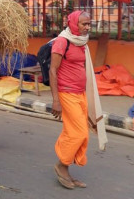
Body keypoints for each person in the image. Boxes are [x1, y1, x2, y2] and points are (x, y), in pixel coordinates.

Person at [49, 10, 93, 190]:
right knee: (77, 133)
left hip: (80, 94)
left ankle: (65, 167)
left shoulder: (82, 42)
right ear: (74, 23)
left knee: (80, 133)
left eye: (89, 24)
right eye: (84, 24)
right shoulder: (62, 42)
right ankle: (61, 166)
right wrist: (56, 100)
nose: (87, 27)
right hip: (66, 94)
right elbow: (53, 70)